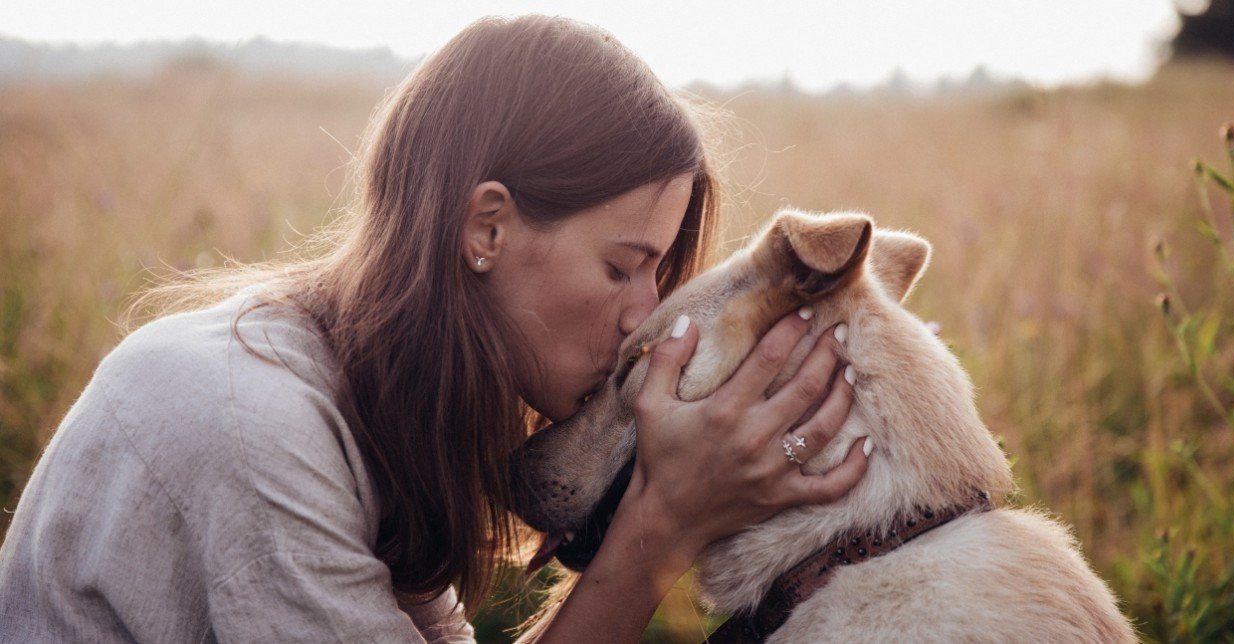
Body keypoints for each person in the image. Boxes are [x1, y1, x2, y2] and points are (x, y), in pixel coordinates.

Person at [0, 15, 869, 642]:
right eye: (620, 267)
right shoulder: (247, 425)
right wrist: (658, 529)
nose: (645, 313)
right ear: (485, 228)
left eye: (656, 273)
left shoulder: (369, 405)